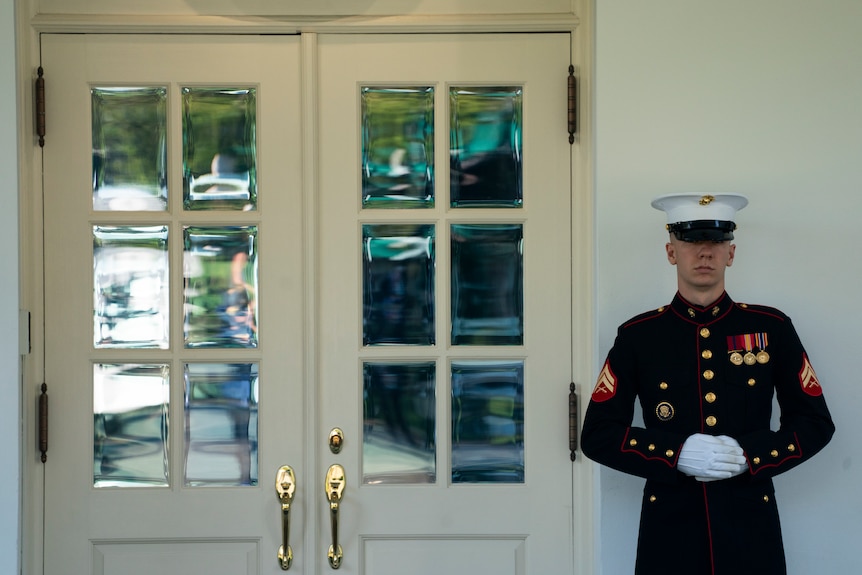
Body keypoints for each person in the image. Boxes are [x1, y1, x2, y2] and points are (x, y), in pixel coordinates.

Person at [580, 193, 835, 575]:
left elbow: (815, 423)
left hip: (750, 524)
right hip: (669, 527)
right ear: (671, 252)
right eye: (690, 241)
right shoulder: (639, 336)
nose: (704, 253)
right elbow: (597, 434)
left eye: (716, 242)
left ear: (731, 254)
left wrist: (750, 454)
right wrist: (674, 453)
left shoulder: (771, 328)